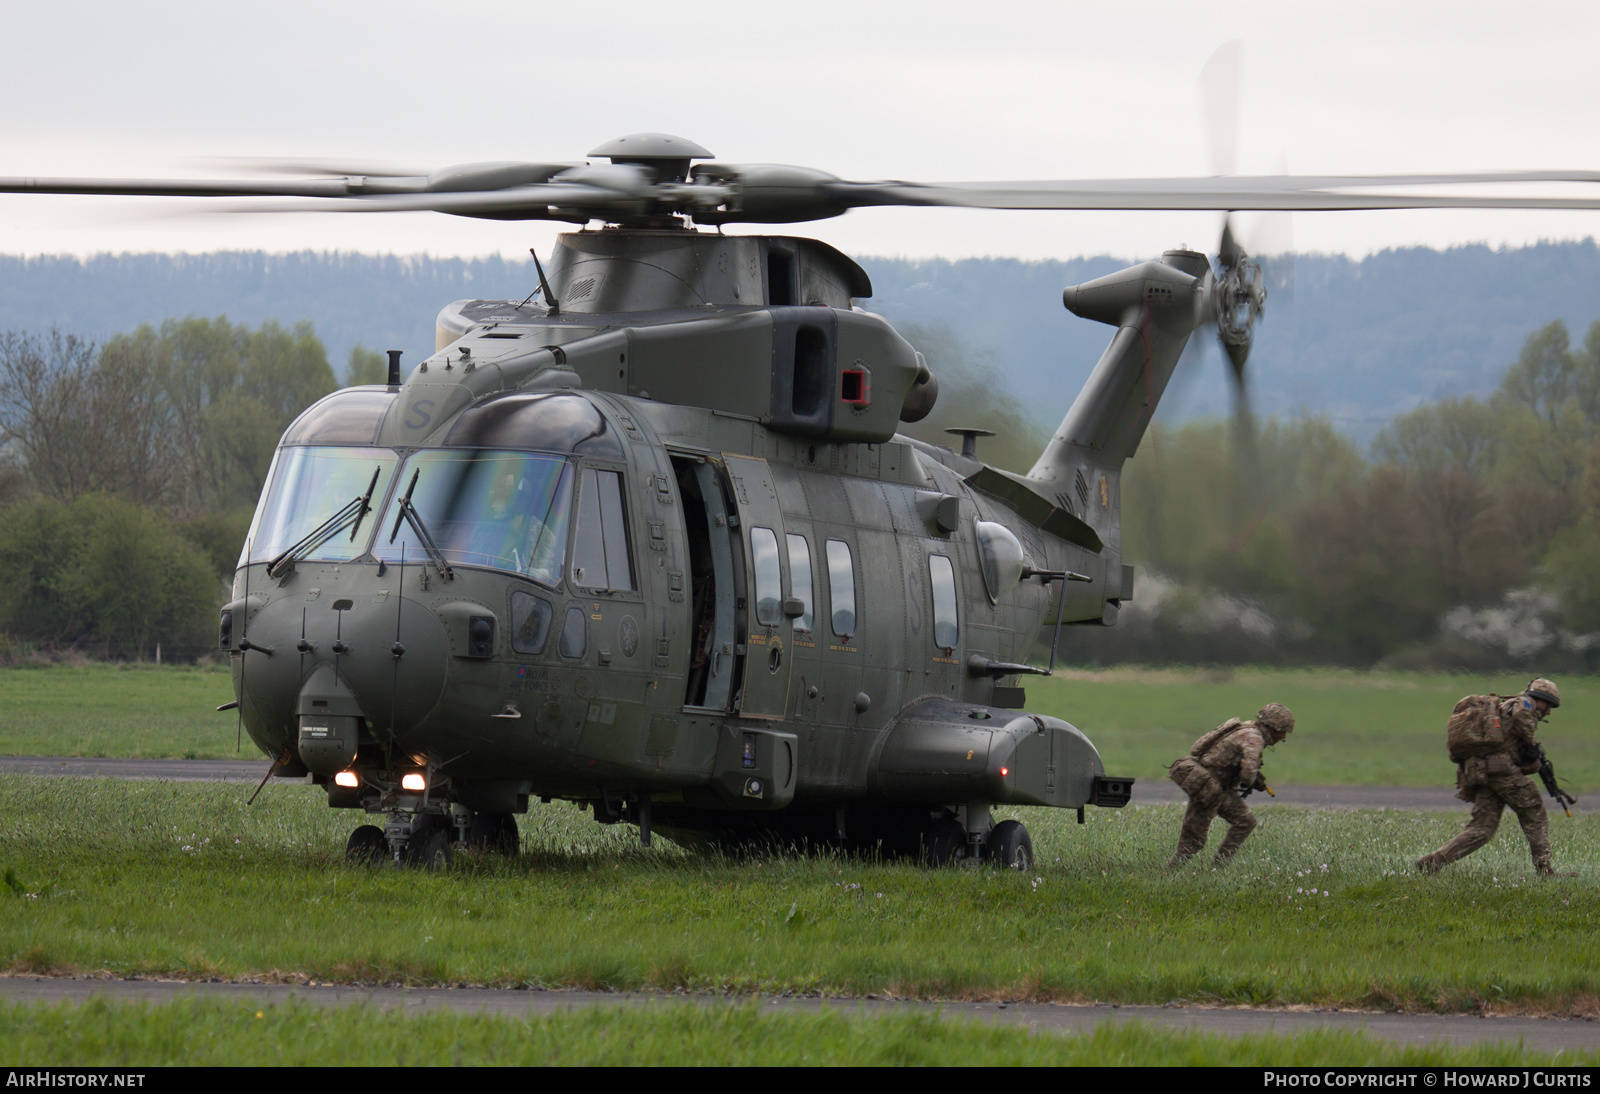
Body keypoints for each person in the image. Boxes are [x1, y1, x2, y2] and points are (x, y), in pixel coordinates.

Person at [1417, 678, 1570, 877]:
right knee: (1534, 810)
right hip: (1501, 773)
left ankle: (1434, 861)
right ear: (1540, 698)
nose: (1548, 711)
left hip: (1484, 773)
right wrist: (1531, 745)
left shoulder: (1505, 707)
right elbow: (1523, 719)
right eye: (1547, 704)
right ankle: (1545, 869)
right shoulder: (1525, 703)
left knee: (1482, 828)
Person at [1166, 703, 1295, 867]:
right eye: (1283, 732)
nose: (1283, 737)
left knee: (1245, 822)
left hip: (1215, 786)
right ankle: (1172, 873)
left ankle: (1217, 868)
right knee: (1193, 841)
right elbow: (1248, 772)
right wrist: (1251, 781)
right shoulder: (1254, 739)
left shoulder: (1245, 728)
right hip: (1209, 788)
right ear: (1273, 728)